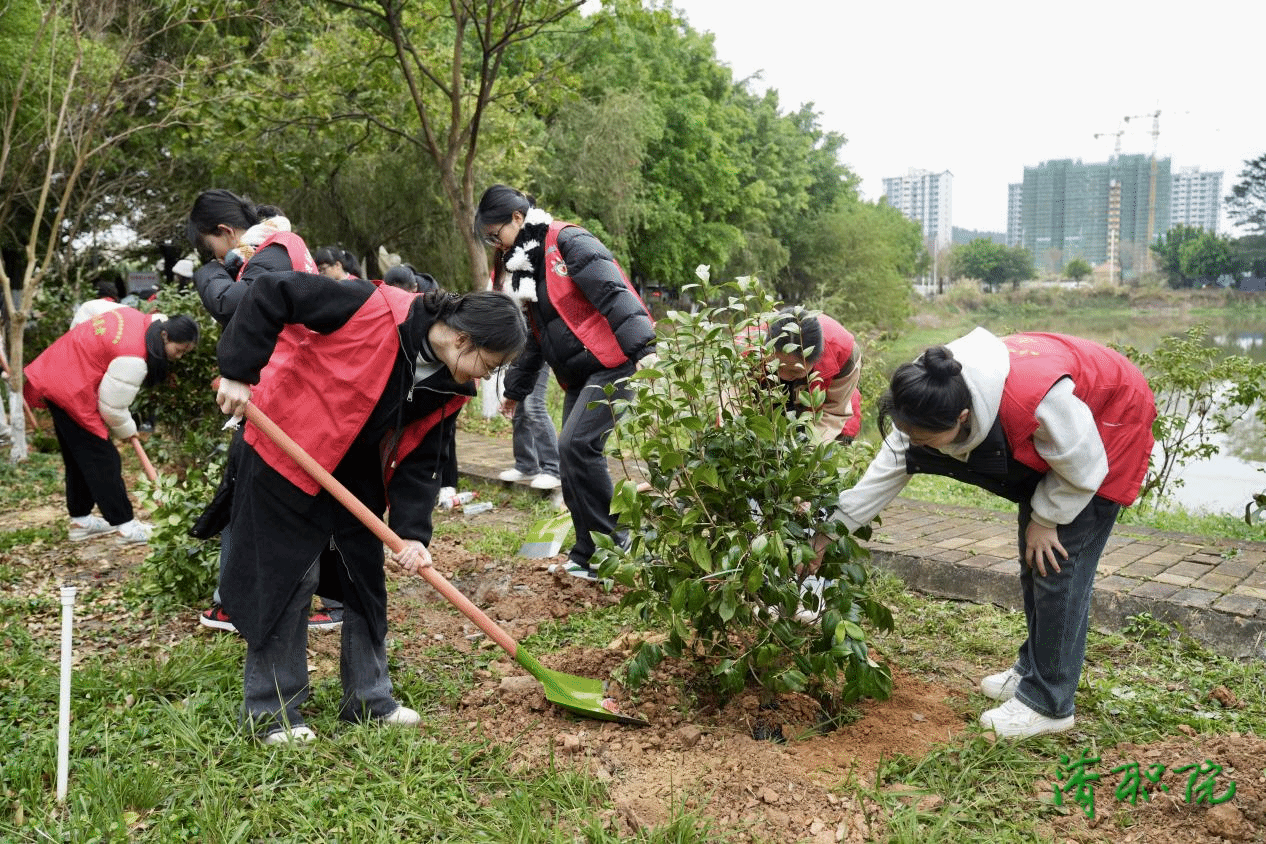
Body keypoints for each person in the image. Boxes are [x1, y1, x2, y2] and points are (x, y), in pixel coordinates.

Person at [213, 270, 526, 744]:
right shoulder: (369, 305)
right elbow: (269, 291)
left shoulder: (449, 385)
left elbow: (422, 461)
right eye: (492, 363)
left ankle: (369, 701)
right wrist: (239, 371)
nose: (487, 377)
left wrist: (414, 533)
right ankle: (271, 712)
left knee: (364, 579)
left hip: (352, 467)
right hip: (287, 447)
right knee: (290, 577)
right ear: (464, 336)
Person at [820, 328, 1156, 739]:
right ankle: (1032, 670)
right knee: (1034, 558)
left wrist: (1047, 519)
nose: (917, 445)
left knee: (1057, 565)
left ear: (963, 418)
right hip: (1063, 437)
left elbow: (1085, 466)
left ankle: (1050, 704)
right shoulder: (928, 400)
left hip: (1109, 420)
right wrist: (824, 534)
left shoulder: (1034, 400)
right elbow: (877, 483)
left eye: (925, 440)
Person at [475, 184, 656, 580]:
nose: (495, 243)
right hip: (578, 373)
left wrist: (644, 349)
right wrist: (514, 392)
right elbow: (533, 338)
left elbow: (612, 292)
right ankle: (588, 552)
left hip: (614, 361)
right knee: (571, 455)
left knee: (577, 445)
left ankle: (614, 545)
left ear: (517, 219)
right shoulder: (525, 267)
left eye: (495, 234)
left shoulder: (568, 241)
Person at [184, 189, 342, 633]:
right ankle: (295, 599)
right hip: (295, 391)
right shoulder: (284, 248)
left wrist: (210, 275)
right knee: (274, 494)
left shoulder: (272, 253)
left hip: (281, 396)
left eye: (210, 245)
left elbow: (237, 306)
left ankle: (240, 604)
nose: (215, 254)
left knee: (253, 495)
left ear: (225, 232)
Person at [24, 307, 199, 544]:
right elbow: (112, 408)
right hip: (71, 388)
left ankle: (81, 520)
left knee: (79, 458)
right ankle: (125, 526)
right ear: (165, 335)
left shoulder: (135, 316)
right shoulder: (134, 357)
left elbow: (87, 313)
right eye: (179, 350)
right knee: (104, 460)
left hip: (57, 373)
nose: (178, 357)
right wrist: (128, 429)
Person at [766, 307, 863, 446]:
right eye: (777, 367)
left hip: (827, 413)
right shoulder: (748, 345)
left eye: (794, 371)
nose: (784, 376)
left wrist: (811, 450)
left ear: (817, 359)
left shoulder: (843, 353)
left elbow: (835, 410)